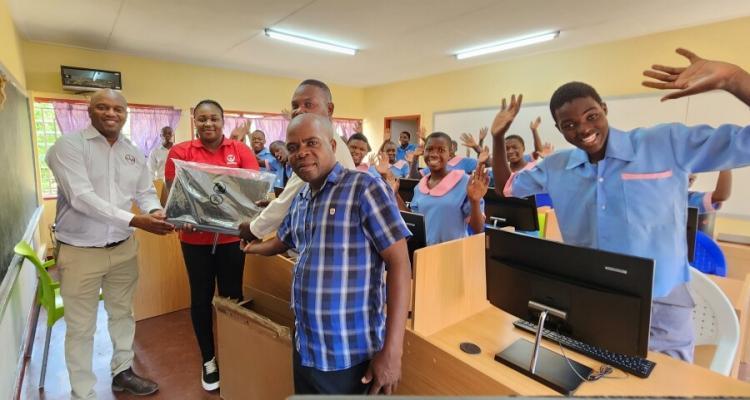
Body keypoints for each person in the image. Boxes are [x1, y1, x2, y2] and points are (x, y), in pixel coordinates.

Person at [491, 48, 750, 362]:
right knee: (596, 381)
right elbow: (507, 188)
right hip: (593, 299)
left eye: (591, 116)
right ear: (559, 130)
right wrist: (498, 137)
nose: (584, 129)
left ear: (604, 108)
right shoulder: (557, 166)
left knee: (667, 388)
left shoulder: (663, 143)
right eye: (569, 125)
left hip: (661, 303)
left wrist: (734, 79)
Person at [241, 113, 411, 395]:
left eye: (312, 143)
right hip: (306, 348)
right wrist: (253, 248)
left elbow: (400, 263)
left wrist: (393, 351)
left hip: (349, 356)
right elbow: (283, 241)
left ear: (332, 145)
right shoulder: (302, 198)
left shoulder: (364, 188)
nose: (301, 153)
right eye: (293, 147)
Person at [45, 89, 174, 399]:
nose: (111, 113)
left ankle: (122, 372)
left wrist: (154, 210)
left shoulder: (132, 152)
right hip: (79, 252)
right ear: (90, 111)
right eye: (102, 107)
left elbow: (144, 191)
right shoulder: (68, 147)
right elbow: (81, 198)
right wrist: (135, 221)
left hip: (123, 249)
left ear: (126, 114)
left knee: (122, 313)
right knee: (81, 327)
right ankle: (83, 392)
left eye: (118, 108)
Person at [163, 99, 260, 391]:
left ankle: (234, 353)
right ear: (194, 120)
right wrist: (183, 216)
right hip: (195, 240)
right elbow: (174, 199)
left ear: (223, 120)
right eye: (202, 119)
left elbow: (252, 194)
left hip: (232, 240)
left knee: (232, 296)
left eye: (214, 119)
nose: (208, 124)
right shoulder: (180, 152)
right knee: (201, 297)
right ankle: (209, 359)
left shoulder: (240, 151)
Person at [238, 79, 355, 242]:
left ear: (329, 109)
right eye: (295, 106)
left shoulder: (326, 144)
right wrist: (277, 202)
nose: (299, 111)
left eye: (308, 104)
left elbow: (288, 201)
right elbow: (296, 194)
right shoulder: (319, 139)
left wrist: (253, 229)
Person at [405, 131, 488, 245]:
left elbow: (478, 229)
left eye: (441, 150)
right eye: (429, 149)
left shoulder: (464, 182)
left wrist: (475, 201)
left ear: (450, 154)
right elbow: (415, 223)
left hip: (453, 254)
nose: (434, 154)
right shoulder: (420, 186)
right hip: (425, 254)